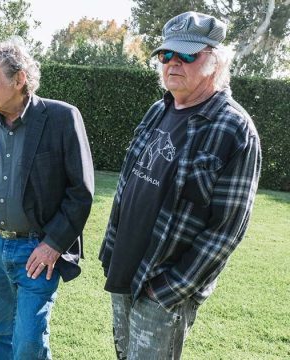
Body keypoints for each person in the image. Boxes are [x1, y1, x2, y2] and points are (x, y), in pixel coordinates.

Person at [98, 11, 262, 360]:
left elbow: (227, 230)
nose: (172, 62)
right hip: (125, 269)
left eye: (187, 55)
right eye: (165, 54)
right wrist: (111, 252)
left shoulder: (233, 128)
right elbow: (129, 186)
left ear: (215, 61)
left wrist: (170, 289)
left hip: (163, 286)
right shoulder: (157, 110)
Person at [0, 39, 94, 359]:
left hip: (37, 251)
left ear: (19, 78)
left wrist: (54, 244)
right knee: (0, 333)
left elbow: (80, 192)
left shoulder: (62, 117)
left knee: (28, 343)